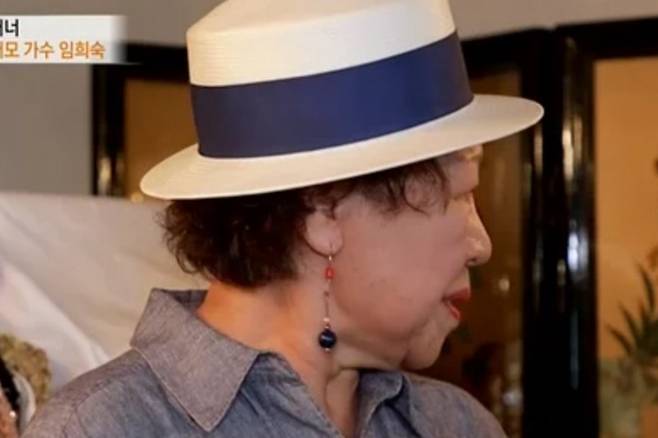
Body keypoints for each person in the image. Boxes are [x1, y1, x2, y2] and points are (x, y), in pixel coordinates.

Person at [24, 0, 543, 436]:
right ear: (325, 211)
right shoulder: (101, 428)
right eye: (460, 196)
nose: (482, 244)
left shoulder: (455, 424)